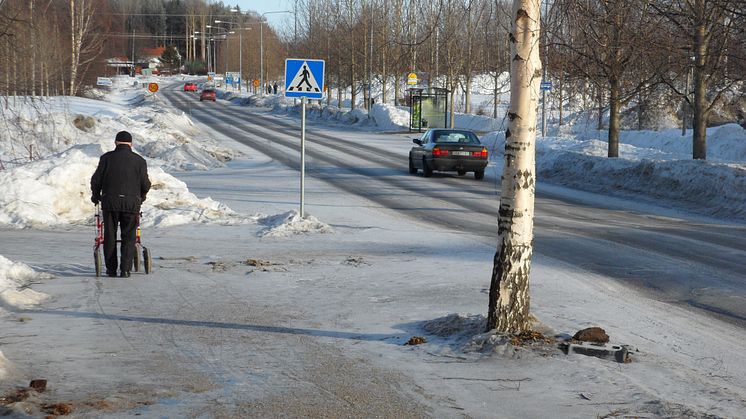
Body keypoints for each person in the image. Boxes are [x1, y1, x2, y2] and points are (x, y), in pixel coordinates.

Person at [90, 131, 151, 278]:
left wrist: (95, 195)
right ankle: (125, 270)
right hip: (131, 204)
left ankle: (111, 269)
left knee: (109, 235)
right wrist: (141, 197)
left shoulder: (106, 158)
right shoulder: (139, 161)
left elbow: (96, 180)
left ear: (116, 142)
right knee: (129, 237)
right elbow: (145, 184)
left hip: (110, 203)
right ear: (131, 144)